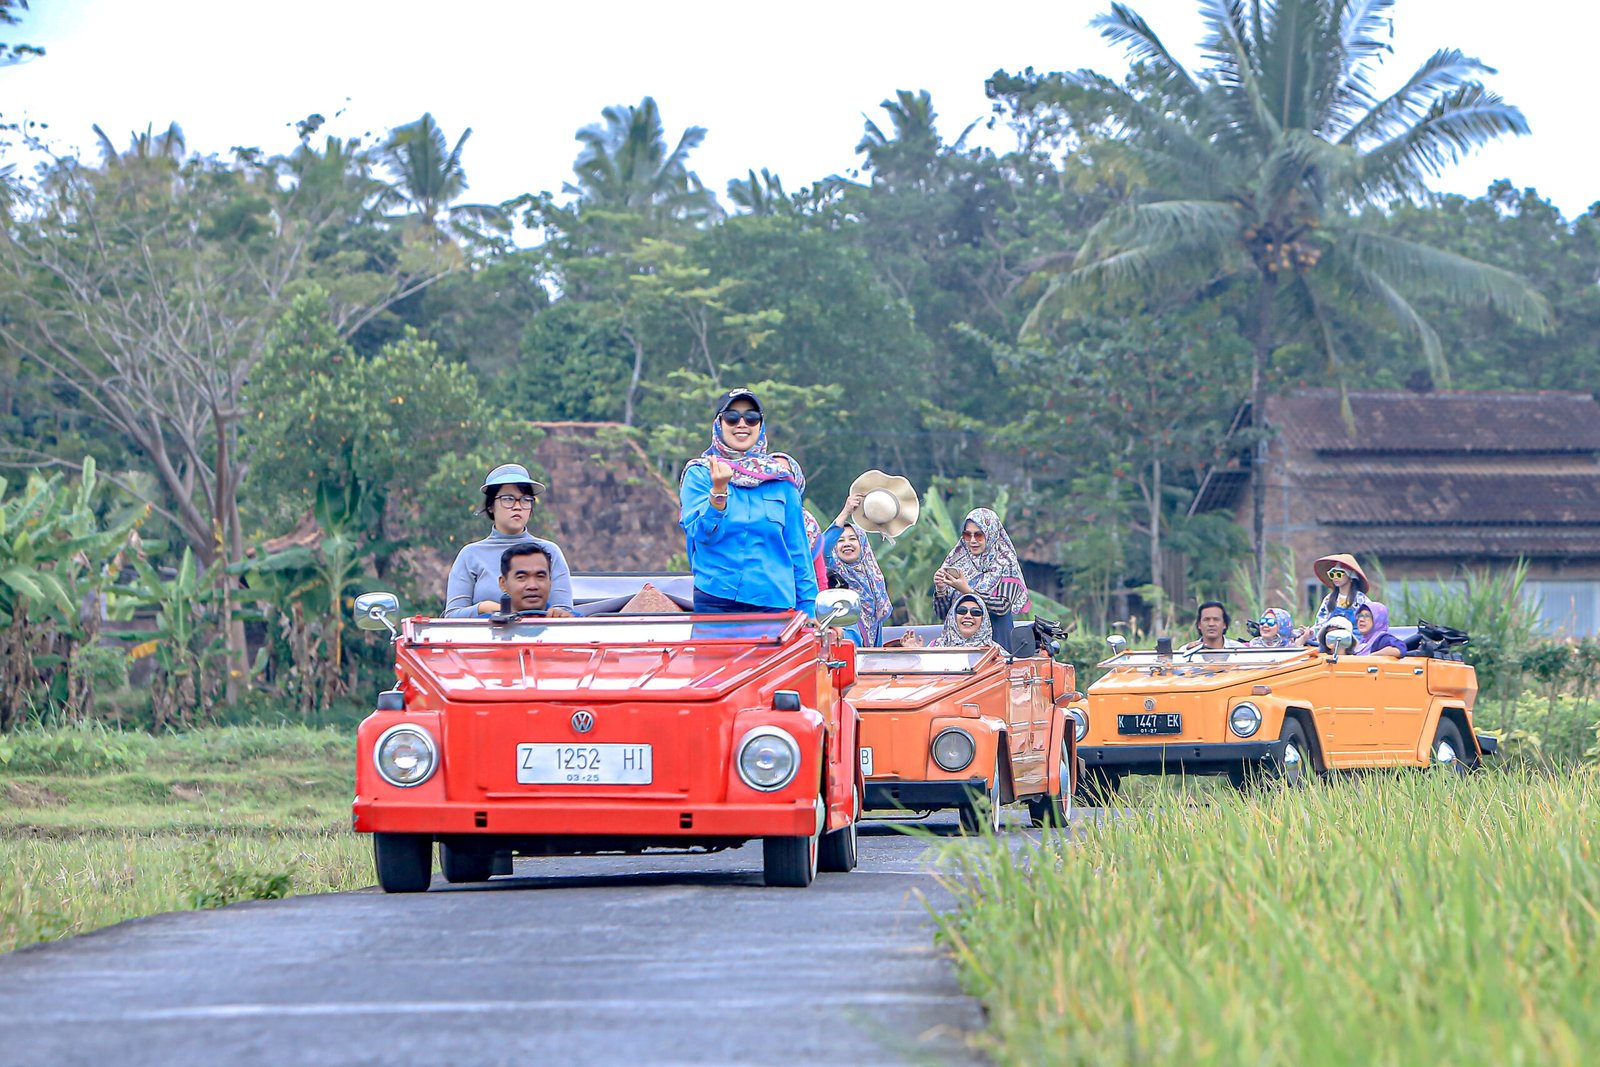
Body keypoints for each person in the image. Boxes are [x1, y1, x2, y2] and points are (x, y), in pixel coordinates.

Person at [679, 388, 818, 616]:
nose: (742, 423)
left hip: (774, 605)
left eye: (751, 418)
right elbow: (700, 534)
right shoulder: (700, 473)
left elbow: (798, 552)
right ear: (719, 424)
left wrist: (810, 612)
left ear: (760, 425)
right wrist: (718, 491)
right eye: (732, 417)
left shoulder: (782, 481)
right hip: (717, 599)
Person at [445, 463, 574, 618]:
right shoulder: (470, 555)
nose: (517, 506)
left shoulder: (549, 551)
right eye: (508, 499)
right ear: (491, 505)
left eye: (525, 499)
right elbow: (452, 616)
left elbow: (564, 613)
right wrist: (483, 608)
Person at [933, 507, 1030, 642]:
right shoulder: (957, 560)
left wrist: (967, 591)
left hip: (996, 644)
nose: (972, 540)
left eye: (979, 535)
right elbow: (943, 614)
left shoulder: (1005, 562)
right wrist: (940, 589)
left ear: (991, 533)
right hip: (958, 645)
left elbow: (1003, 606)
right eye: (967, 535)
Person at [821, 492, 892, 646]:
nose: (847, 543)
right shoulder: (834, 570)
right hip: (846, 644)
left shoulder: (873, 577)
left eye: (853, 539)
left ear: (863, 545)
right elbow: (821, 549)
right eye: (840, 540)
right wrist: (845, 512)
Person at [900, 593, 1005, 650]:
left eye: (976, 612)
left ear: (984, 620)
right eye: (962, 611)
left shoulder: (994, 651)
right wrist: (917, 654)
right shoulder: (936, 646)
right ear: (953, 617)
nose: (968, 616)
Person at [1307, 553, 1372, 640]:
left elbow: (1368, 624)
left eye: (1339, 574)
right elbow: (1320, 623)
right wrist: (1311, 633)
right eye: (1332, 574)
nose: (1335, 578)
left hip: (1355, 641)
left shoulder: (1361, 600)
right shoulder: (1328, 599)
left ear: (1351, 576)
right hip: (1330, 641)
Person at [498, 544, 553, 614]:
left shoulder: (566, 621)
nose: (532, 586)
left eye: (540, 576)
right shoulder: (485, 623)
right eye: (521, 577)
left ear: (550, 581)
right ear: (503, 583)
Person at [1179, 601, 1245, 651]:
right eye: (1206, 619)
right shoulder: (1186, 650)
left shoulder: (1240, 650)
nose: (1211, 624)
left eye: (1216, 619)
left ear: (1224, 624)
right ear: (1199, 625)